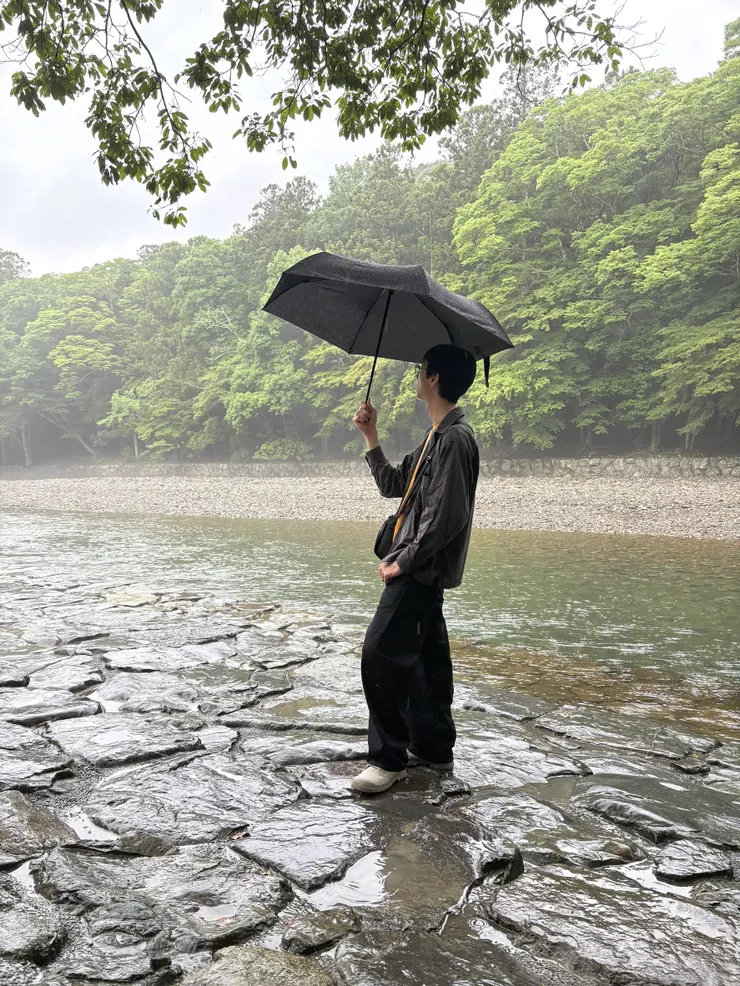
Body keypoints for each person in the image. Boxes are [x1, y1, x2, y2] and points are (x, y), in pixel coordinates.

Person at [351, 344, 480, 794]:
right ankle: (433, 747)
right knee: (426, 660)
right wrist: (371, 435)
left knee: (380, 651)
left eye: (420, 370)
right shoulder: (435, 438)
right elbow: (393, 485)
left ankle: (388, 758)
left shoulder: (455, 439)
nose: (416, 376)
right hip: (422, 567)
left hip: (419, 567)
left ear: (435, 380)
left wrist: (401, 562)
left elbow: (446, 517)